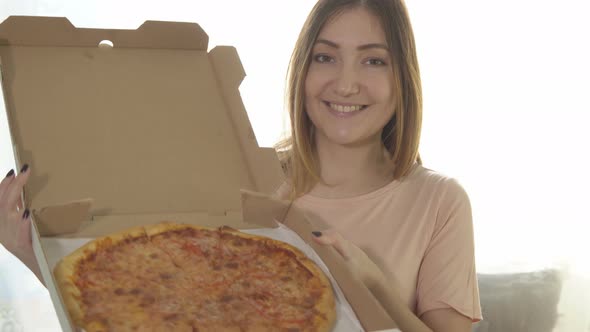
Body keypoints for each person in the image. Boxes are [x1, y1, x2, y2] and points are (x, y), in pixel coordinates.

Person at [0, 0, 481, 331]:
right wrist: (32, 253)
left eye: (374, 62)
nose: (346, 83)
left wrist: (369, 278)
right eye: (325, 57)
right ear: (302, 70)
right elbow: (148, 301)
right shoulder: (240, 179)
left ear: (405, 79)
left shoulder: (439, 202)